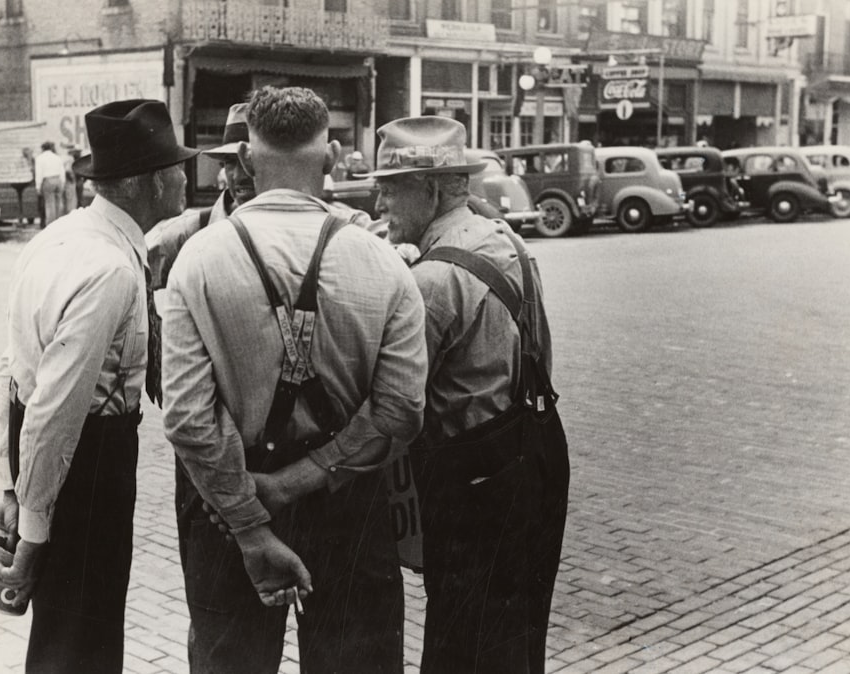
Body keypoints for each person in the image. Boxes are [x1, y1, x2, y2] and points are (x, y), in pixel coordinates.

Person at [161, 85, 427, 673]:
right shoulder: (385, 262)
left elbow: (186, 418)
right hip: (349, 505)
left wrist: (253, 522)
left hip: (227, 505)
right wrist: (301, 480)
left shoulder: (197, 261)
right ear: (331, 157)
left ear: (248, 160)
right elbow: (401, 410)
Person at [0, 99, 197, 673]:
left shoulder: (58, 238)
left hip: (59, 463)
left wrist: (12, 486)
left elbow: (13, 372)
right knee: (85, 638)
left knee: (66, 632)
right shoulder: (108, 267)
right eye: (177, 168)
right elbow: (57, 410)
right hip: (90, 464)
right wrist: (31, 534)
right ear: (149, 184)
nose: (186, 176)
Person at [372, 116, 570, 674]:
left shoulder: (431, 282)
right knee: (519, 630)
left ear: (431, 189)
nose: (379, 197)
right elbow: (543, 355)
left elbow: (396, 405)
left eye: (391, 185)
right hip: (535, 449)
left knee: (460, 644)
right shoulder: (507, 239)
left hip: (472, 476)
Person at [147, 103, 256, 288]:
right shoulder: (187, 232)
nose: (239, 175)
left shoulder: (295, 230)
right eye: (230, 162)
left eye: (250, 161)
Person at [35, 141, 66, 226]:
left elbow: (39, 173)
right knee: (59, 203)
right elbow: (62, 171)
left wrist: (38, 186)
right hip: (58, 179)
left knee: (49, 204)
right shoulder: (57, 157)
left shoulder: (40, 158)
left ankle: (51, 225)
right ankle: (60, 223)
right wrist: (63, 182)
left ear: (43, 148)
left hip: (48, 180)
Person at [61, 143, 80, 214]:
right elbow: (68, 171)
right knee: (71, 200)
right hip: (69, 181)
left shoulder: (62, 157)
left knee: (65, 200)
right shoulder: (70, 158)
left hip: (63, 181)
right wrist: (72, 179)